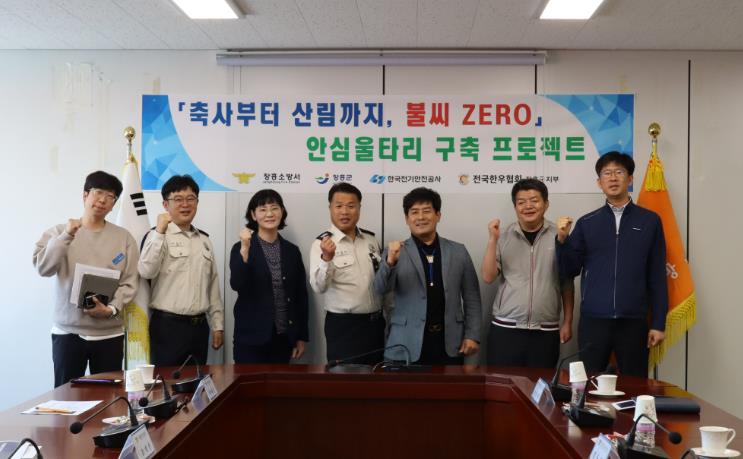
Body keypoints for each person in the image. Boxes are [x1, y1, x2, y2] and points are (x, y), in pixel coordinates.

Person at [557, 151, 668, 377]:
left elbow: (657, 275)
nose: (613, 178)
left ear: (630, 179)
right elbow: (569, 269)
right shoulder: (587, 222)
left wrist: (658, 323)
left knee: (634, 384)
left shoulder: (649, 221)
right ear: (599, 182)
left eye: (619, 172)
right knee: (588, 384)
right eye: (607, 173)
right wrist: (562, 240)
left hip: (633, 321)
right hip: (594, 320)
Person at [33, 171, 138, 387]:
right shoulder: (59, 231)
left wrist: (111, 309)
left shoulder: (124, 238)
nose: (103, 200)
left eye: (110, 196)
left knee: (110, 398)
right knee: (66, 397)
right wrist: (66, 236)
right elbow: (44, 268)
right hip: (68, 332)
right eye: (98, 192)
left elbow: (129, 282)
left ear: (114, 204)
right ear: (85, 195)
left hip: (109, 334)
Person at [374, 187, 481, 365]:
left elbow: (472, 297)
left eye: (426, 211)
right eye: (414, 212)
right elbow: (380, 290)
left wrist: (472, 335)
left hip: (450, 343)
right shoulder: (395, 251)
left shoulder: (458, 251)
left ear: (438, 215)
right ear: (407, 218)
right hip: (405, 343)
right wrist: (390, 262)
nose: (421, 217)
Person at [481, 179, 574, 368]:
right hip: (506, 328)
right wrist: (492, 240)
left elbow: (567, 283)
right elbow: (488, 277)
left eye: (534, 200)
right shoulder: (503, 236)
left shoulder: (559, 235)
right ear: (515, 207)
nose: (528, 206)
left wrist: (567, 322)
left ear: (546, 204)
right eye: (521, 202)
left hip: (545, 330)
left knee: (540, 384)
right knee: (502, 382)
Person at [138, 175, 224, 367]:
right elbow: (146, 271)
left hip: (200, 327)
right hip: (168, 328)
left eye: (191, 198)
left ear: (197, 202)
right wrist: (160, 232)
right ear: (165, 204)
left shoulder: (204, 241)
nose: (185, 204)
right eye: (178, 199)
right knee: (166, 382)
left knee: (196, 382)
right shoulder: (156, 235)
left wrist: (217, 325)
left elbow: (212, 286)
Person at [229, 189, 309, 364]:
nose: (269, 214)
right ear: (253, 215)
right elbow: (237, 284)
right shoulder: (240, 248)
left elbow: (300, 295)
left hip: (284, 337)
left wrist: (301, 336)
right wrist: (245, 249)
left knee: (279, 382)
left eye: (274, 208)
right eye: (263, 209)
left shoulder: (292, 251)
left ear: (282, 211)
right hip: (250, 338)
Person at [309, 182, 385, 365]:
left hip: (375, 324)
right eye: (339, 206)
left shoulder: (371, 239)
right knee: (346, 379)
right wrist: (327, 258)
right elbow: (319, 287)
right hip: (344, 327)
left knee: (377, 376)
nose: (345, 212)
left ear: (359, 208)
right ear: (330, 208)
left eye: (351, 206)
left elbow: (382, 279)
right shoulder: (321, 244)